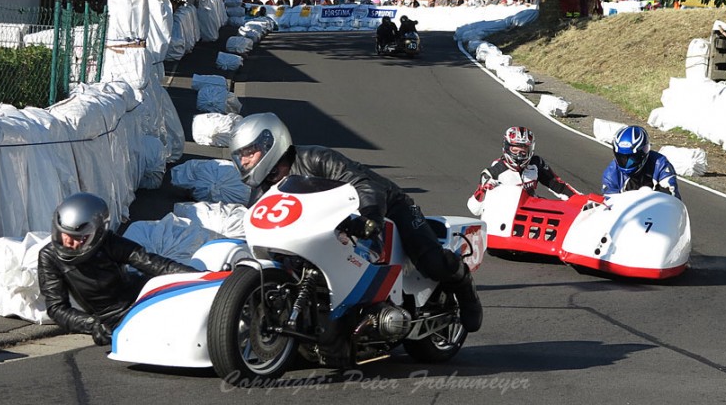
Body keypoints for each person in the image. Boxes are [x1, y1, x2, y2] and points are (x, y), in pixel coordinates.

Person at [229, 113, 482, 332]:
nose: (245, 161)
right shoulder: (264, 188)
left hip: (386, 206)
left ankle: (463, 286)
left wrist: (369, 218)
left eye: (250, 153)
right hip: (337, 223)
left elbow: (364, 185)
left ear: (270, 143)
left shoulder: (316, 158)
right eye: (241, 156)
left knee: (431, 262)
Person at [38, 193, 199, 346]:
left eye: (78, 237)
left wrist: (198, 278)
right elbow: (56, 308)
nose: (68, 242)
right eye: (64, 234)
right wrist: (93, 325)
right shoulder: (49, 256)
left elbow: (150, 262)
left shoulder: (108, 242)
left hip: (142, 298)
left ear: (96, 233)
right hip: (111, 319)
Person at [472, 127, 578, 204]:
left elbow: (559, 186)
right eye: (515, 149)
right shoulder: (492, 172)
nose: (519, 154)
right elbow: (475, 208)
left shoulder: (536, 163)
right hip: (505, 218)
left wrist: (581, 200)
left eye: (523, 150)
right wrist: (483, 191)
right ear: (507, 148)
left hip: (531, 210)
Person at [601, 126, 681, 200]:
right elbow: (610, 204)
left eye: (632, 158)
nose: (626, 162)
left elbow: (672, 198)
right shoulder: (611, 174)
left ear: (643, 153)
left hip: (658, 211)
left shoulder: (660, 164)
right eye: (621, 157)